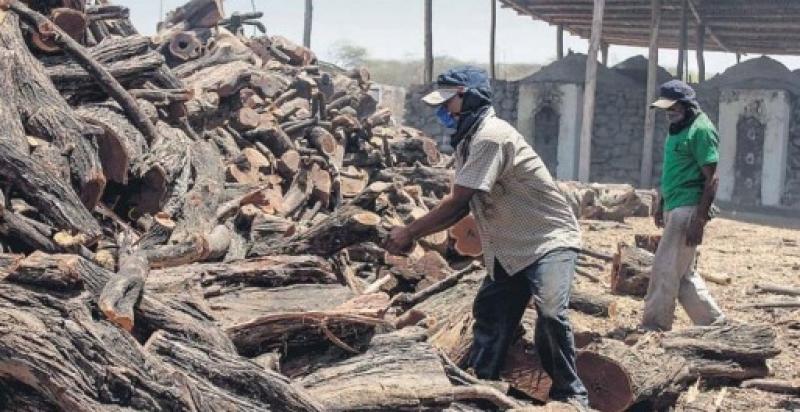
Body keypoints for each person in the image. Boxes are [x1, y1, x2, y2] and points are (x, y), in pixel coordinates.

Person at [385, 66, 589, 407]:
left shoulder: (491, 136)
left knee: (551, 313)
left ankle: (571, 395)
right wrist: (415, 235)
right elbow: (462, 207)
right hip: (510, 246)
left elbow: (457, 203)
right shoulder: (469, 141)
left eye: (448, 102)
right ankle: (481, 388)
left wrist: (409, 232)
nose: (443, 111)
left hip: (549, 240)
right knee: (491, 312)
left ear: (468, 97)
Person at [642, 80, 726, 332]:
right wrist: (661, 204)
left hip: (688, 210)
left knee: (664, 269)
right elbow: (673, 169)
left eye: (673, 107)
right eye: (665, 108)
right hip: (674, 205)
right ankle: (713, 324)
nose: (668, 112)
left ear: (687, 105)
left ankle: (654, 327)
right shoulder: (678, 128)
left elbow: (712, 179)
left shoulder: (701, 130)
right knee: (683, 275)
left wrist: (698, 221)